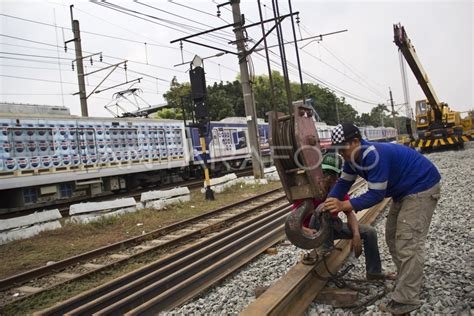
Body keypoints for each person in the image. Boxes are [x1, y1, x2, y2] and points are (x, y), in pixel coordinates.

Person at [323, 123, 441, 315]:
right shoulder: (352, 160)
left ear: (355, 142)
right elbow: (343, 183)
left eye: (342, 149)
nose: (340, 154)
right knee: (392, 236)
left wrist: (344, 205)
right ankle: (407, 279)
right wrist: (330, 201)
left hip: (421, 186)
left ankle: (406, 299)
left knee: (407, 241)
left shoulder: (372, 155)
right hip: (404, 191)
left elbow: (376, 195)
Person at [292, 153, 389, 280]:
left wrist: (356, 235)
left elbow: (349, 213)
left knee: (369, 232)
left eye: (331, 174)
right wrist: (307, 230)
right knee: (322, 207)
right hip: (312, 232)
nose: (327, 177)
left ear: (337, 176)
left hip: (330, 228)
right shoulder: (309, 191)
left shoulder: (338, 190)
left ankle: (374, 272)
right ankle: (324, 251)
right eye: (325, 172)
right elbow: (293, 221)